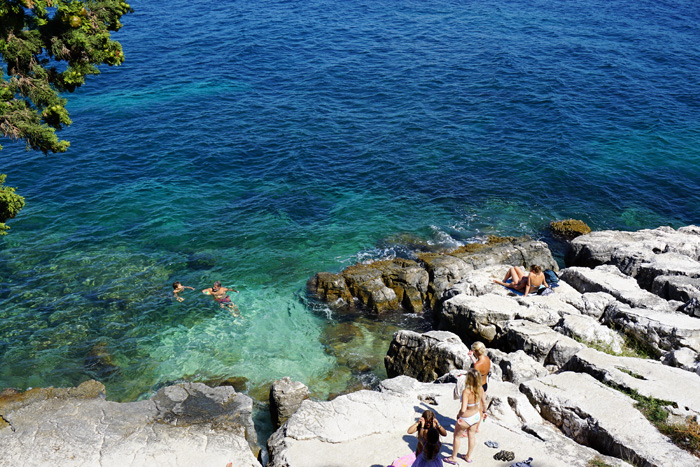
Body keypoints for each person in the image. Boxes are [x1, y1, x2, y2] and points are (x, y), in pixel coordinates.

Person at [444, 369, 482, 465]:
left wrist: (458, 415)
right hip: (476, 416)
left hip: (466, 418)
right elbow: (481, 403)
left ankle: (453, 457)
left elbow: (463, 409)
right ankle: (468, 457)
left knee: (457, 436)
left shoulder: (467, 391)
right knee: (472, 437)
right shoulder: (480, 389)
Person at [469, 341, 491, 431]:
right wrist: (471, 357)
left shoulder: (477, 364)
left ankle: (474, 428)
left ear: (476, 352)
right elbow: (479, 366)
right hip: (485, 384)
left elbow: (475, 374)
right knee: (481, 407)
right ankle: (477, 427)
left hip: (478, 386)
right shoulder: (487, 358)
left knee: (476, 409)